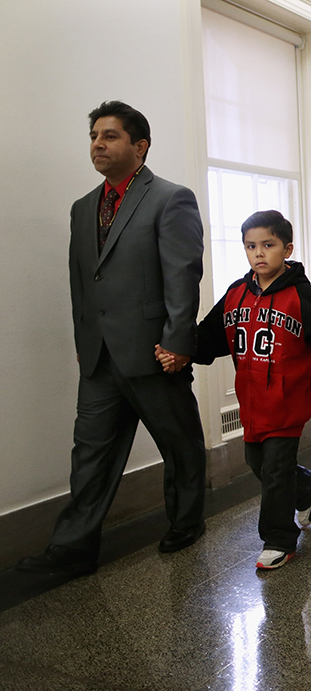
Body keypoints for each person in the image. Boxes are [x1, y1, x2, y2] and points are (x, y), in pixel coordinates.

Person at [17, 101, 207, 578]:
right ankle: (72, 549)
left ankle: (186, 522)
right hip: (100, 358)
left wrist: (179, 342)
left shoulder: (170, 198)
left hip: (155, 352)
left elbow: (182, 277)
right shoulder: (83, 209)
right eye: (94, 137)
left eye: (110, 136)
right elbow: (82, 281)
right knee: (90, 454)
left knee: (178, 444)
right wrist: (85, 337)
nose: (98, 145)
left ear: (139, 147)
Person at [180, 210, 311, 569]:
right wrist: (179, 347)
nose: (259, 253)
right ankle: (307, 486)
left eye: (268, 245)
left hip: (286, 402)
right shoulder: (236, 293)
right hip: (251, 402)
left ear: (287, 249)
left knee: (274, 471)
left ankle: (278, 539)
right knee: (258, 462)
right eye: (251, 246)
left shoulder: (301, 295)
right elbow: (208, 337)